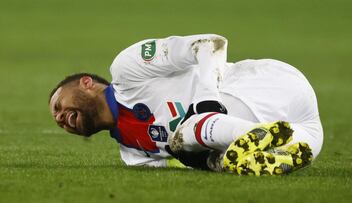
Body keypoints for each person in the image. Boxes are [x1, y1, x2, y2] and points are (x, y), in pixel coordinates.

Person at [49, 34, 323, 176]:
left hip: (267, 84)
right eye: (57, 119)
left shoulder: (127, 69)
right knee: (199, 154)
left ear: (86, 83)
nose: (60, 118)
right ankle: (256, 152)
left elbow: (209, 43)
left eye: (59, 105)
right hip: (304, 132)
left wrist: (206, 102)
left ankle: (239, 146)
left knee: (186, 133)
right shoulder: (134, 156)